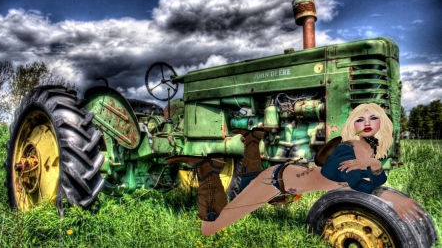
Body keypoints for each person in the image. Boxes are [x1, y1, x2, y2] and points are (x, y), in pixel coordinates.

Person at [168, 103, 426, 236]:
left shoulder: (366, 150)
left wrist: (375, 165)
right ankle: (206, 170)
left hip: (287, 177)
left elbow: (367, 176)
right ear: (352, 123)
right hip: (278, 181)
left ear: (384, 121)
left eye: (373, 117)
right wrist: (389, 195)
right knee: (209, 228)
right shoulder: (351, 147)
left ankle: (251, 141)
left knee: (245, 185)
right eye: (360, 118)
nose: (367, 123)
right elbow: (350, 180)